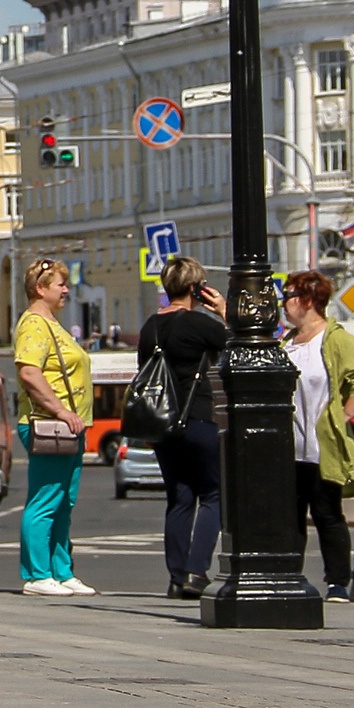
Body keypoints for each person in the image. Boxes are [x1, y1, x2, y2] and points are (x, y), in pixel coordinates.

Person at [280, 271, 354, 602]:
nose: (283, 303)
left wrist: (344, 414)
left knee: (327, 513)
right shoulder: (286, 342)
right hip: (288, 445)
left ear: (306, 301)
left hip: (322, 445)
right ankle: (289, 576)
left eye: (287, 296)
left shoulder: (334, 338)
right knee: (289, 517)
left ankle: (337, 583)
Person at [136, 255, 225, 601]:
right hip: (198, 417)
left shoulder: (149, 328)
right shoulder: (199, 324)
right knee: (214, 495)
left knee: (179, 498)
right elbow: (243, 340)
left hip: (162, 422)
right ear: (195, 288)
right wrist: (221, 309)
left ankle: (176, 577)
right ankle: (195, 571)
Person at [13, 258, 93, 598]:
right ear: (40, 288)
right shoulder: (33, 324)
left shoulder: (53, 323)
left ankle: (62, 570)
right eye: (60, 284)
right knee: (46, 499)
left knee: (64, 501)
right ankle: (37, 573)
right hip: (49, 425)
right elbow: (29, 372)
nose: (66, 289)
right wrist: (60, 410)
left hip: (69, 426)